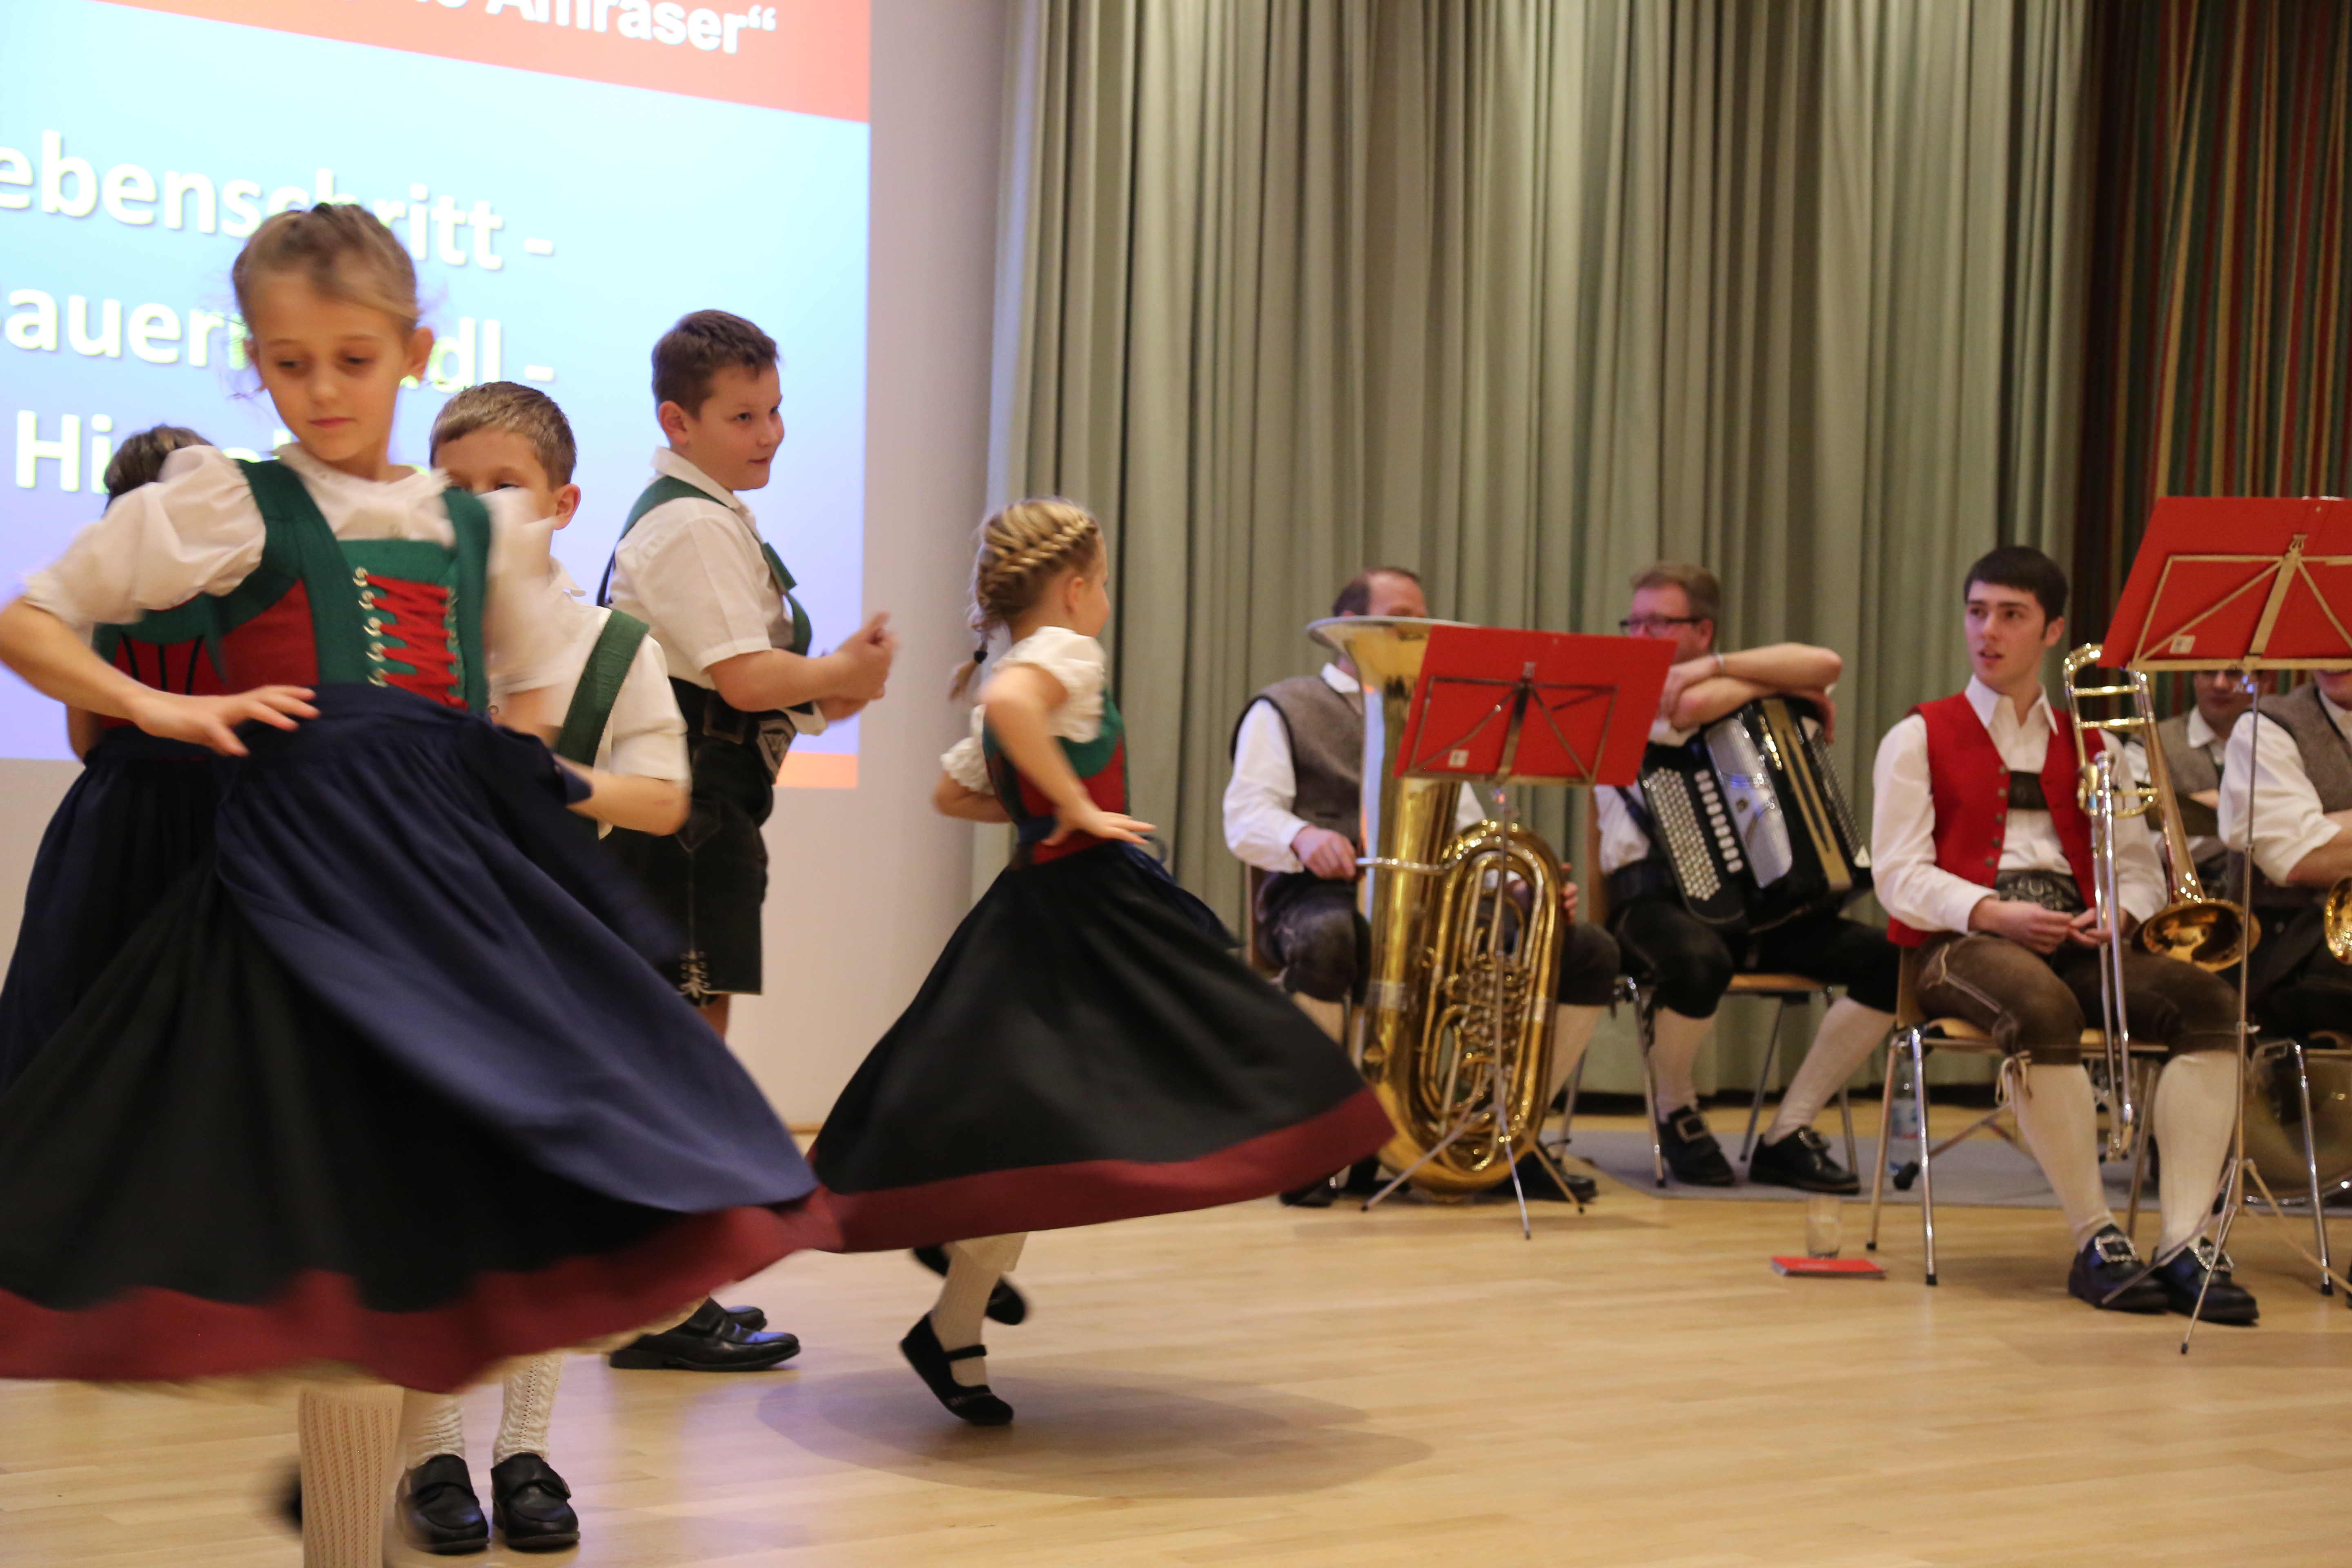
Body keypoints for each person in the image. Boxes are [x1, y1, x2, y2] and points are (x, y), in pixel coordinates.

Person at [0, 205, 833, 1568]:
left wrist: (522, 783)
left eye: (351, 359)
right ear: (255, 366)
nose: (322, 391)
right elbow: (32, 616)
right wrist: (147, 711)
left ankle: (419, 1499)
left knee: (439, 1240)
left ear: (411, 350)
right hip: (291, 916)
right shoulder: (226, 505)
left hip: (442, 912)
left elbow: (539, 702)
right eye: (288, 364)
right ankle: (349, 1539)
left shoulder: (473, 533)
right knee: (337, 1266)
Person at [810, 499, 1393, 1426]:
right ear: (1077, 590)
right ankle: (958, 1283)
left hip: (1037, 913)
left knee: (1035, 1130)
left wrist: (1048, 808)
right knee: (1186, 1070)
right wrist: (1076, 812)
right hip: (1088, 911)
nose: (1106, 599)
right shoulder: (1063, 656)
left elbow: (953, 793)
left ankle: (953, 1312)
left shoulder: (1013, 660)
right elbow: (1006, 714)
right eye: (1107, 581)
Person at [380, 380, 697, 1555]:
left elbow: (665, 799)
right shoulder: (391, 637)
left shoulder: (616, 644)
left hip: (562, 960)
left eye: (500, 486)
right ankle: (429, 1458)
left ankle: (524, 1450)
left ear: (563, 502)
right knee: (427, 1210)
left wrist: (567, 787)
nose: (471, 510)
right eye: (449, 488)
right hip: (421, 954)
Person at [597, 311, 883, 1373]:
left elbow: (770, 698)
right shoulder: (690, 527)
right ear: (679, 419)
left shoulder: (714, 519)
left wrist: (837, 685)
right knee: (681, 1057)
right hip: (686, 818)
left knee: (682, 1053)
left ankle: (667, 1288)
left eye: (775, 413)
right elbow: (747, 680)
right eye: (743, 416)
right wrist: (838, 672)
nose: (769, 436)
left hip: (708, 809)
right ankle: (659, 1300)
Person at [1872, 544, 2255, 1321]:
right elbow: (1898, 877)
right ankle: (2096, 1238)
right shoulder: (1917, 736)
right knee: (2041, 1011)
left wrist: (2122, 911)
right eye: (1977, 613)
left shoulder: (2099, 746)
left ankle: (2184, 1241)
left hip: (2081, 935)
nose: (1989, 632)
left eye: (2011, 616)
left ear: (2051, 631)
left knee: (2205, 1003)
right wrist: (1991, 911)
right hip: (1963, 944)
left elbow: (2140, 868)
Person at [1223, 566, 1620, 1204]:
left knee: (1584, 950)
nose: (1426, 632)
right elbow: (1246, 814)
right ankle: (1319, 1140)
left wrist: (1522, 891)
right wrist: (1303, 838)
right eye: (1405, 618)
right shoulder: (1284, 706)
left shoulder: (1445, 716)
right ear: (1350, 628)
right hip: (1321, 892)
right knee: (1330, 940)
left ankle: (1504, 1135)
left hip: (1434, 898)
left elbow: (1466, 829)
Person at [1595, 563, 1898, 1192]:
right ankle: (1676, 1108)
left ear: (1702, 631)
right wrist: (1779, 691)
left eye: (1658, 622)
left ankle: (1789, 1130)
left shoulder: (1719, 674)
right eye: (1635, 621)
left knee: (1892, 964)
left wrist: (1725, 674)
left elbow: (1826, 662)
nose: (1639, 633)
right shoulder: (1619, 693)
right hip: (1651, 901)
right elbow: (1687, 705)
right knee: (1699, 961)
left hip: (1759, 909)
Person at [0, 425, 225, 1092]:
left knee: (75, 1002)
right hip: (226, 811)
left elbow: (85, 741)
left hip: (116, 817)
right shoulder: (238, 589)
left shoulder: (90, 596)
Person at [2217, 665, 2352, 1040]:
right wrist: (2315, 840)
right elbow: (2297, 859)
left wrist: (2329, 825)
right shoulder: (2265, 726)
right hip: (2287, 945)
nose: (2333, 651)